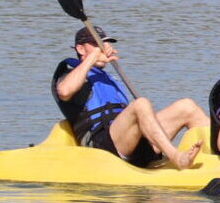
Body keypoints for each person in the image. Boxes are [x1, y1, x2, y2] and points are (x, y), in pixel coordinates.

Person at [52, 26, 207, 169]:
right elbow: (64, 92)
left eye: (104, 44)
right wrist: (91, 58)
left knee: (187, 106)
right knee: (140, 104)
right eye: (97, 44)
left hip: (132, 142)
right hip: (102, 147)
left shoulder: (107, 77)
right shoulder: (71, 73)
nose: (103, 48)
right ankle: (177, 158)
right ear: (80, 48)